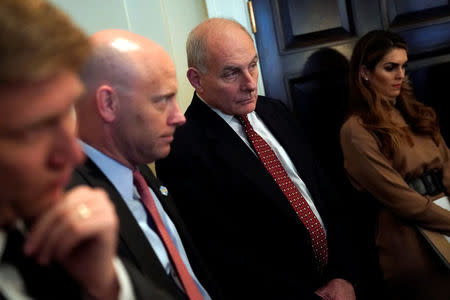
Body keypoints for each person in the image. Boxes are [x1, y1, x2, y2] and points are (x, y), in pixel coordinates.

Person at [156, 18, 357, 300]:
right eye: (231, 73)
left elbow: (327, 195)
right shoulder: (181, 149)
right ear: (196, 79)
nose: (250, 84)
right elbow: (221, 256)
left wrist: (344, 274)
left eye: (252, 65)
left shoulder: (275, 110)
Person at [0, 1, 173, 299]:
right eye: (36, 128)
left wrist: (107, 285)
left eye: (66, 112)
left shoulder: (47, 232)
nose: (74, 155)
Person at [67, 29, 221, 300]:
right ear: (108, 103)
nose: (178, 117)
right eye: (162, 100)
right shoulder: (69, 208)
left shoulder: (140, 172)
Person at [340, 29, 450, 300]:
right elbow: (398, 197)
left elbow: (447, 162)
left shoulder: (416, 111)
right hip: (410, 236)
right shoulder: (356, 129)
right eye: (390, 68)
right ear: (365, 72)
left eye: (403, 66)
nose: (400, 75)